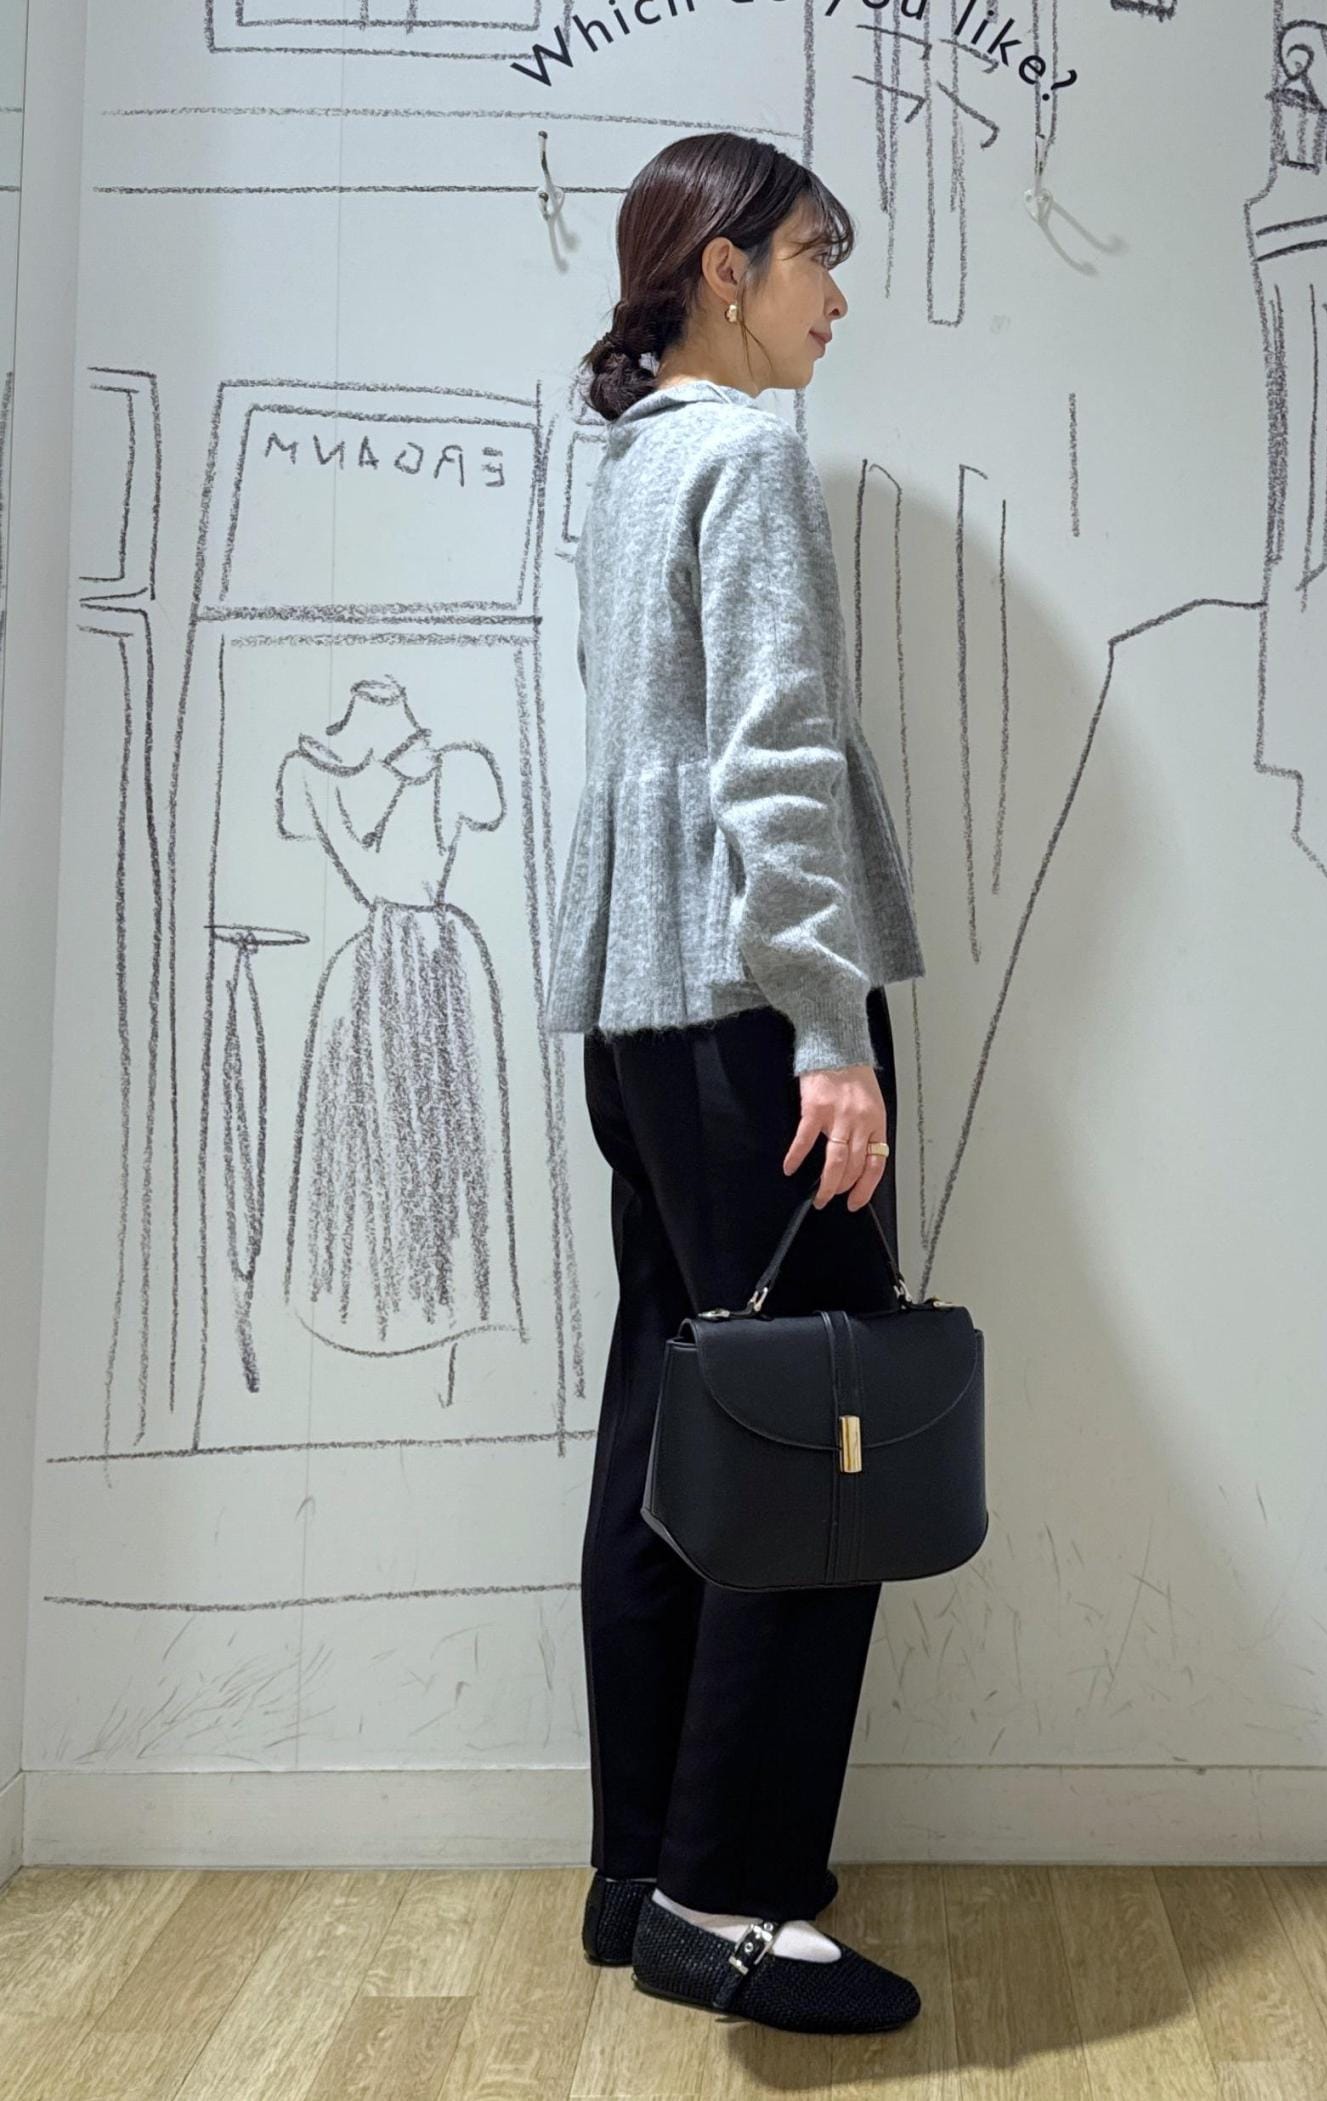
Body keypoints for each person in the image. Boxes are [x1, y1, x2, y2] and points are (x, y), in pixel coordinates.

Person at [542, 130, 927, 2036]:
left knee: (669, 1430)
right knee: (815, 1448)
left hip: (640, 1016)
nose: (833, 297)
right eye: (812, 257)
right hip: (756, 1012)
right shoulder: (748, 455)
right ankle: (732, 1898)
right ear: (723, 270)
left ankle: (640, 1872)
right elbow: (772, 761)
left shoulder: (621, 461)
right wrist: (830, 1031)